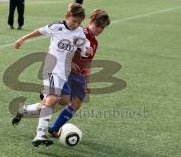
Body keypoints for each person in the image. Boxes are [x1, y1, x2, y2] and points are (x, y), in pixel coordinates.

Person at [12, 9, 110, 138]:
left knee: (74, 102)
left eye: (102, 28)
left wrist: (87, 81)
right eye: (98, 25)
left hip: (78, 75)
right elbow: (59, 50)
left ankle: (45, 123)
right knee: (59, 100)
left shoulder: (94, 42)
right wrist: (69, 63)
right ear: (90, 21)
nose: (99, 29)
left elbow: (88, 62)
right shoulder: (80, 32)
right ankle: (40, 128)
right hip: (65, 72)